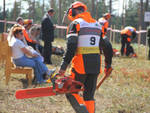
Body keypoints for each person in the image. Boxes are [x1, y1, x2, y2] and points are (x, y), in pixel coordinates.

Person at [58, 1, 113, 113]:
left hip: (80, 65)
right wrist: (108, 65)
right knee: (88, 96)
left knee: (71, 92)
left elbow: (72, 46)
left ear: (72, 11)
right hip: (95, 66)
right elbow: (108, 46)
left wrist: (63, 66)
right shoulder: (98, 25)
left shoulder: (76, 23)